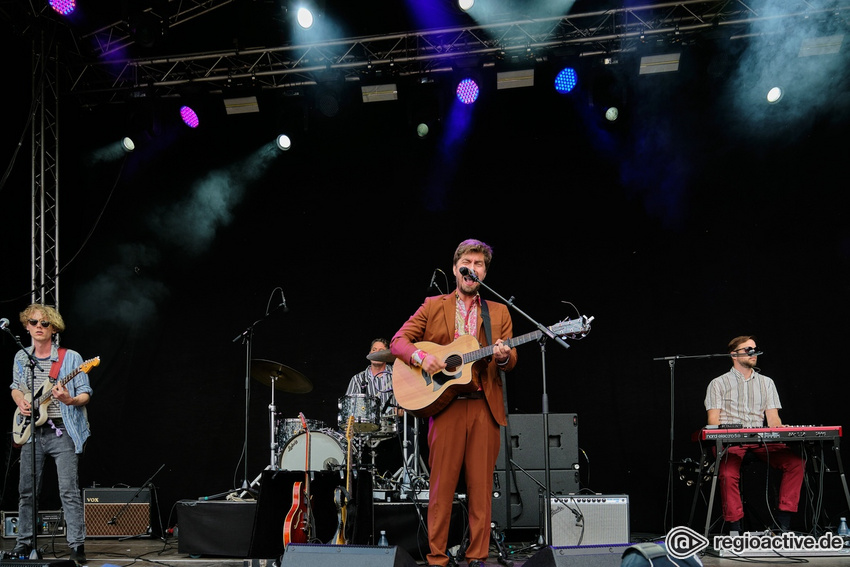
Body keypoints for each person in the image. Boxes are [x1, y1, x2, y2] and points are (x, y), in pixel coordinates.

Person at [390, 238, 516, 567]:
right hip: (444, 406)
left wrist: (503, 358)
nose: (472, 269)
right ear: (456, 268)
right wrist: (422, 358)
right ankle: (436, 559)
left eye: (479, 264)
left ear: (484, 273)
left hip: (483, 406)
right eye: (467, 263)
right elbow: (398, 341)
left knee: (480, 491)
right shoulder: (434, 305)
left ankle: (477, 558)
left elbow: (511, 359)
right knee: (441, 489)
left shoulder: (499, 311)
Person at [9, 304, 92, 565]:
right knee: (26, 491)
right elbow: (15, 387)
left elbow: (85, 394)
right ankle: (23, 544)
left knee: (68, 489)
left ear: (54, 327)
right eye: (34, 322)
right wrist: (21, 401)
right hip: (32, 429)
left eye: (45, 323)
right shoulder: (21, 358)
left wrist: (68, 399)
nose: (39, 327)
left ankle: (77, 547)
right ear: (26, 326)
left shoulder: (71, 358)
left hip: (62, 430)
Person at [704, 335, 804, 534]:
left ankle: (782, 524)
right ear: (734, 354)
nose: (754, 353)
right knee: (727, 473)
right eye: (748, 349)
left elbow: (774, 421)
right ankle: (735, 529)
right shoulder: (718, 383)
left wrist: (782, 428)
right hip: (732, 443)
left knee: (796, 463)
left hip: (761, 441)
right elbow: (713, 422)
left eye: (755, 348)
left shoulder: (767, 383)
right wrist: (734, 431)